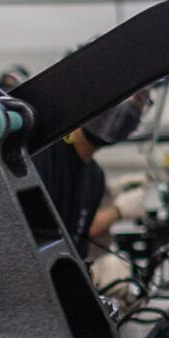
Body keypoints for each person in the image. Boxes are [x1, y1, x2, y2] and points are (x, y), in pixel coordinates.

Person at [32, 90, 149, 256]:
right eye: (131, 99)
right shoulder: (42, 158)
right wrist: (118, 210)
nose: (131, 111)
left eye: (139, 104)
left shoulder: (95, 176)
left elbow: (78, 243)